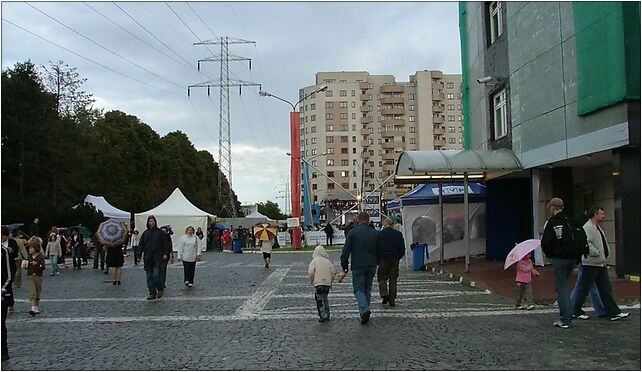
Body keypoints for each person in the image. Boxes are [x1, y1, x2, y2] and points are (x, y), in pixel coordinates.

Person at [571, 207, 629, 321]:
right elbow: (586, 242)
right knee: (583, 288)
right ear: (595, 214)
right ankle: (575, 310)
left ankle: (613, 312)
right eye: (601, 214)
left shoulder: (597, 228)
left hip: (599, 264)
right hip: (590, 263)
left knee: (605, 289)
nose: (603, 216)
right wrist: (596, 253)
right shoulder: (588, 227)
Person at [541, 197, 581, 329]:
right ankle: (568, 314)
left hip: (559, 258)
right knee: (564, 285)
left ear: (553, 208)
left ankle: (565, 318)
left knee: (561, 288)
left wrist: (550, 254)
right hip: (572, 259)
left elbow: (545, 242)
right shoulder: (571, 221)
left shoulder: (552, 222)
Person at [340, 212, 384, 324]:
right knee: (367, 289)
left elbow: (345, 251)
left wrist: (344, 266)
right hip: (371, 265)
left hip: (358, 265)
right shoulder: (375, 233)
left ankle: (364, 309)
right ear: (369, 220)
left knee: (358, 290)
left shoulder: (353, 233)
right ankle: (364, 313)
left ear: (358, 220)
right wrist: (377, 262)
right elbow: (380, 250)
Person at [377, 218, 405, 307]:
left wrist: (377, 258)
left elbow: (376, 247)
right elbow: (402, 248)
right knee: (393, 279)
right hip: (394, 258)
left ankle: (384, 293)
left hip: (383, 259)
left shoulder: (380, 234)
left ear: (384, 224)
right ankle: (392, 300)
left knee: (381, 278)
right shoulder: (398, 234)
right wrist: (398, 257)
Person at [138, 216, 168, 300]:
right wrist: (138, 256)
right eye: (150, 221)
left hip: (157, 257)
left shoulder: (160, 233)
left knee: (156, 275)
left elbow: (165, 244)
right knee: (149, 277)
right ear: (148, 222)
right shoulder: (145, 233)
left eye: (153, 221)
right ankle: (152, 292)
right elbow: (141, 245)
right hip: (148, 258)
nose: (152, 222)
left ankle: (160, 288)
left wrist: (165, 253)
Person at [308, 244, 336, 322]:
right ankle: (327, 313)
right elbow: (333, 272)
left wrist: (312, 280)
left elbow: (310, 272)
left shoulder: (314, 261)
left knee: (319, 299)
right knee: (325, 298)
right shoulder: (328, 261)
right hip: (327, 283)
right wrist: (331, 281)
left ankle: (323, 315)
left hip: (318, 283)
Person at [25, 237, 46, 316]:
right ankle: (33, 309)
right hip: (30, 276)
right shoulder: (29, 257)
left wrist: (37, 264)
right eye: (29, 248)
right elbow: (27, 266)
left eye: (31, 248)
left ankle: (36, 307)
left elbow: (43, 267)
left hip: (38, 276)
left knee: (37, 292)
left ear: (35, 248)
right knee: (32, 292)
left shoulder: (40, 257)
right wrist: (25, 265)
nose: (29, 250)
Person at [2, 236, 14, 360]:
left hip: (2, 294)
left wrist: (2, 290)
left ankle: (3, 351)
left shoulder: (4, 251)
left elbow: (9, 275)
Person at [1, 227, 17, 314]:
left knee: (8, 287)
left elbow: (16, 253)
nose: (2, 237)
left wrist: (10, 251)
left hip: (10, 267)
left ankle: (9, 304)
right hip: (3, 268)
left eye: (3, 235)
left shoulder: (12, 242)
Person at [159, 225, 174, 290]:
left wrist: (172, 255)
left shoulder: (168, 237)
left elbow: (170, 246)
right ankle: (158, 282)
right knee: (158, 270)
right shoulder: (158, 237)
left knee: (163, 270)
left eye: (164, 231)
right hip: (157, 256)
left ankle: (162, 283)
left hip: (166, 256)